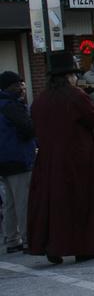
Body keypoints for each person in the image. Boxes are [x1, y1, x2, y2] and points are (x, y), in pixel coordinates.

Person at [26, 51, 94, 264]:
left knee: (53, 202)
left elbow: (34, 125)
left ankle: (53, 244)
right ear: (68, 76)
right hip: (77, 158)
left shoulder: (40, 100)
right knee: (81, 201)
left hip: (48, 159)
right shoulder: (75, 96)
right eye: (73, 75)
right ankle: (84, 246)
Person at [0, 72, 34, 253]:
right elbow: (28, 128)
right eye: (18, 84)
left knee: (10, 202)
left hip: (3, 160)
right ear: (9, 87)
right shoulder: (13, 106)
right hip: (18, 158)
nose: (21, 87)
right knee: (23, 201)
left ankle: (12, 238)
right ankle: (29, 237)